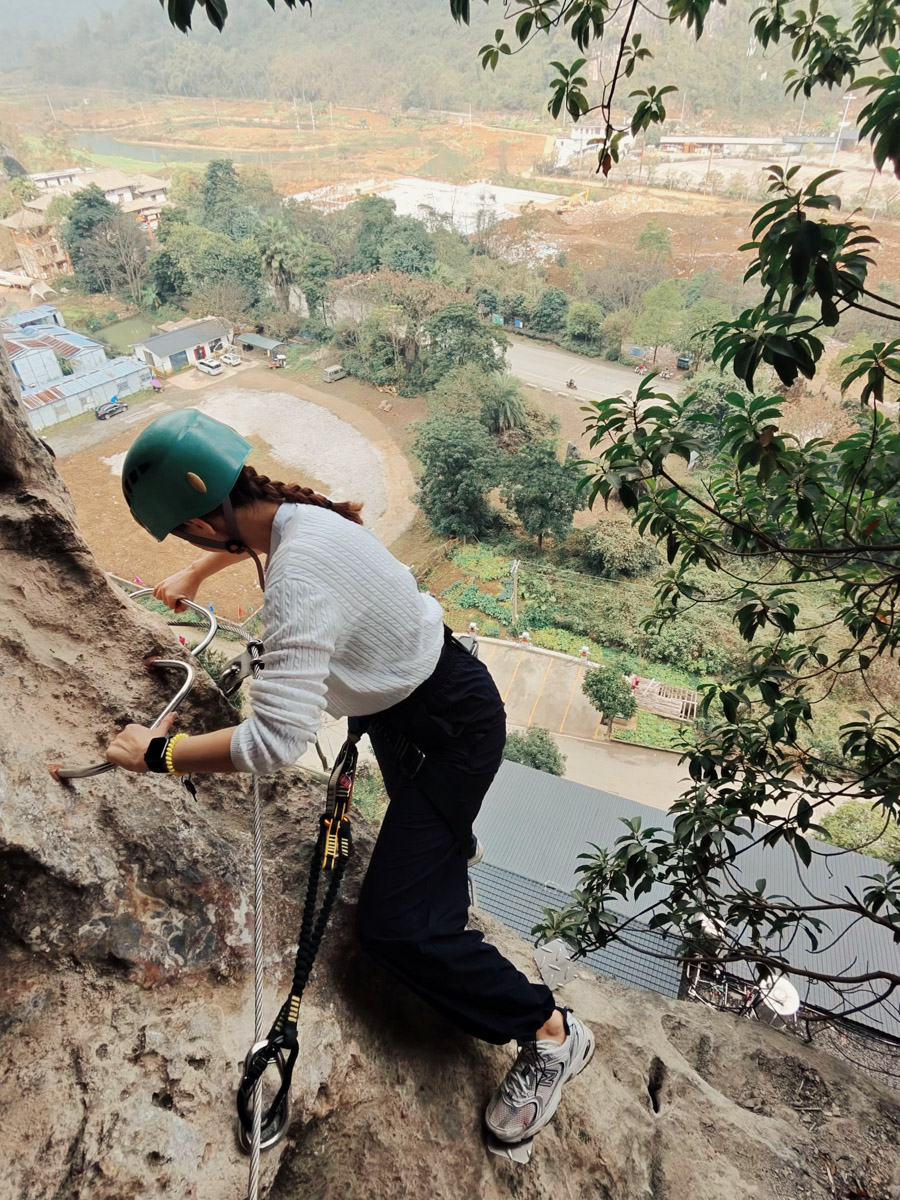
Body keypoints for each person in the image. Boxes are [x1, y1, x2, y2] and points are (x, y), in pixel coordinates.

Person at [106, 409, 593, 1144]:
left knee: (394, 930)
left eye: (189, 537)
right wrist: (198, 570)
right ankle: (446, 853)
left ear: (204, 523)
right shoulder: (299, 515)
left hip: (448, 731)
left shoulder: (298, 574)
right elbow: (270, 540)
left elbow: (274, 741)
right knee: (429, 849)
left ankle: (552, 1031)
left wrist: (158, 754)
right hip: (423, 707)